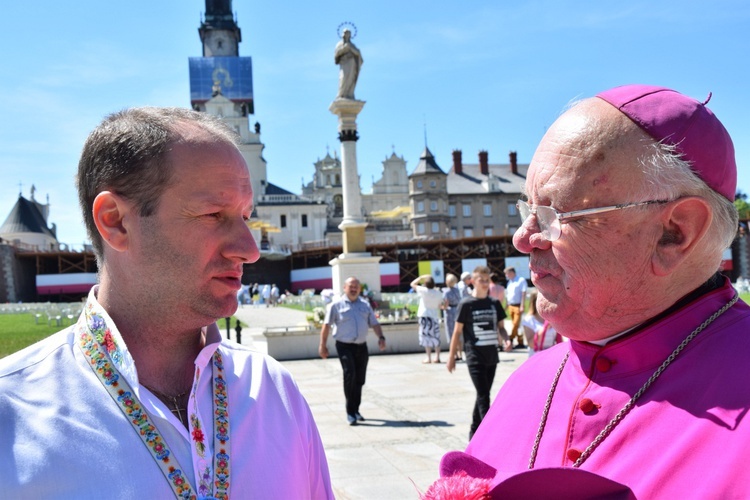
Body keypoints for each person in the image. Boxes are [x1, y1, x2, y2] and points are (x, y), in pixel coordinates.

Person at [0, 107, 333, 498]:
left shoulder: (276, 393)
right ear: (116, 221)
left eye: (245, 216)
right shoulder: (12, 418)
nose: (250, 249)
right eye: (213, 214)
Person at [436, 85, 749, 497]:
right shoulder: (526, 381)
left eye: (554, 214)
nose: (522, 238)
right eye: (526, 210)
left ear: (675, 233)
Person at [446, 266, 511, 439]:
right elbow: (457, 332)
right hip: (474, 357)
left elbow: (501, 328)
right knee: (484, 396)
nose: (484, 283)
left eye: (486, 279)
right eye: (480, 280)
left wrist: (507, 339)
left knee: (483, 394)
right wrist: (451, 357)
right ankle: (489, 436)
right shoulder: (466, 304)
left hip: (492, 357)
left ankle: (473, 433)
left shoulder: (494, 303)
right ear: (473, 281)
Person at [319, 276, 386, 425]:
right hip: (344, 346)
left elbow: (374, 323)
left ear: (360, 289)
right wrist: (322, 345)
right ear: (345, 288)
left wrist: (381, 337)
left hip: (361, 346)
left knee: (359, 380)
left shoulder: (365, 304)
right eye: (351, 286)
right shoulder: (335, 305)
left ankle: (356, 409)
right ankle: (350, 412)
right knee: (350, 376)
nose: (354, 289)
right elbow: (326, 326)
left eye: (356, 286)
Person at [411, 274, 445, 364]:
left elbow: (412, 284)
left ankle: (428, 357)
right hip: (434, 316)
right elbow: (439, 305)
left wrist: (421, 277)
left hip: (424, 315)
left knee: (426, 337)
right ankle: (437, 356)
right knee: (436, 336)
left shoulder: (423, 290)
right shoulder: (438, 293)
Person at [522, 291, 562, 356]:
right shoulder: (529, 320)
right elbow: (531, 344)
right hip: (536, 356)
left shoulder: (553, 318)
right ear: (535, 302)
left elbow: (559, 341)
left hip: (552, 355)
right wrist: (544, 328)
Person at [334, 28, 363, 100]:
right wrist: (344, 48)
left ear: (350, 35)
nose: (346, 35)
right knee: (343, 78)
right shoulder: (339, 44)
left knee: (350, 78)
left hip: (352, 64)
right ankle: (342, 94)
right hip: (344, 63)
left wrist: (351, 49)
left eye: (347, 33)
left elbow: (358, 54)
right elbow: (336, 54)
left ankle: (349, 93)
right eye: (345, 33)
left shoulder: (352, 45)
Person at [504, 267, 527, 348]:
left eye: (507, 273)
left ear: (512, 272)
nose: (506, 275)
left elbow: (523, 293)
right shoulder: (509, 282)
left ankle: (510, 338)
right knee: (515, 325)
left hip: (518, 305)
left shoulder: (521, 280)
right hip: (511, 305)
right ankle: (520, 342)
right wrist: (506, 306)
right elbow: (508, 296)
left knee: (516, 324)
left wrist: (522, 305)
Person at [442, 273, 463, 361]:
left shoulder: (446, 292)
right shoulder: (457, 290)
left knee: (451, 333)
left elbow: (446, 305)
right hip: (457, 310)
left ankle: (454, 354)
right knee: (458, 333)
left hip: (450, 312)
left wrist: (442, 307)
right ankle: (460, 353)